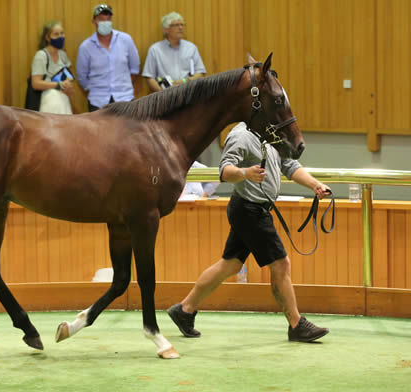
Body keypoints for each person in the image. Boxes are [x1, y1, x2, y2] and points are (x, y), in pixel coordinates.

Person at [167, 122, 332, 342]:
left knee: (231, 264)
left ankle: (184, 309)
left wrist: (315, 185)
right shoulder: (241, 136)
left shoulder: (271, 132)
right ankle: (296, 324)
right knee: (281, 264)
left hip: (254, 209)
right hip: (249, 210)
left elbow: (289, 164)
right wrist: (245, 173)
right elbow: (225, 171)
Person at [76, 4, 140, 112]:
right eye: (101, 19)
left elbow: (135, 69)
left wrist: (122, 86)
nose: (105, 22)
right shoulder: (85, 47)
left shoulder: (126, 40)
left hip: (125, 99)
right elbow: (82, 76)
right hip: (98, 102)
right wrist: (94, 90)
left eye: (108, 19)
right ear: (94, 22)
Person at [142, 12, 206, 93]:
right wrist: (162, 95)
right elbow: (149, 77)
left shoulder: (191, 48)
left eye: (182, 25)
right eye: (176, 25)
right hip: (164, 96)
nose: (180, 28)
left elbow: (200, 73)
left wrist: (185, 81)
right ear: (166, 29)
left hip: (189, 93)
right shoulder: (155, 49)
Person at [31, 21, 76, 114]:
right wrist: (58, 85)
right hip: (49, 100)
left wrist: (68, 85)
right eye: (56, 34)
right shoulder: (41, 55)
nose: (60, 37)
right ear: (47, 37)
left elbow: (69, 76)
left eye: (62, 33)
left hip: (63, 99)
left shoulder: (63, 55)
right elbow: (35, 83)